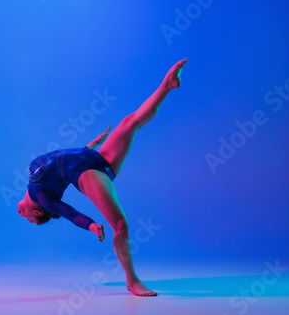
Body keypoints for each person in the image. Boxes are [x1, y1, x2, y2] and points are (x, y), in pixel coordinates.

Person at [18, 59, 187, 296]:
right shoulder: (44, 199)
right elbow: (71, 214)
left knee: (131, 122)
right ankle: (132, 281)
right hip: (87, 173)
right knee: (120, 225)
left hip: (93, 157)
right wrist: (92, 226)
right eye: (28, 219)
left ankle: (167, 85)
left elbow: (62, 159)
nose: (20, 214)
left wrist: (93, 144)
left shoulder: (33, 181)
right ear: (37, 212)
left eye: (27, 219)